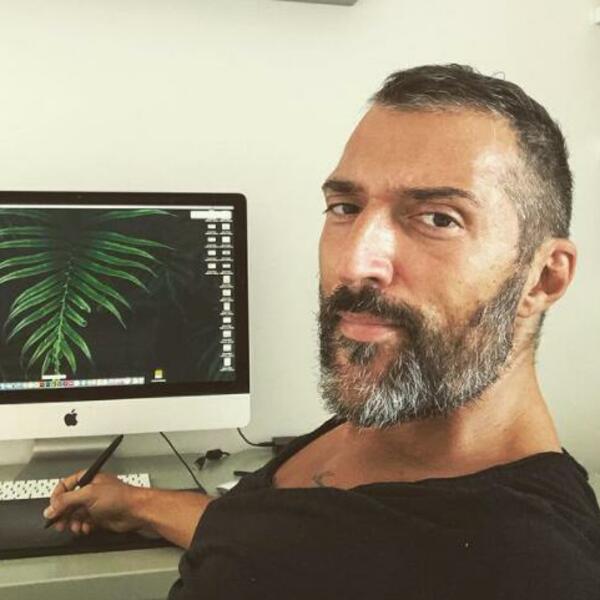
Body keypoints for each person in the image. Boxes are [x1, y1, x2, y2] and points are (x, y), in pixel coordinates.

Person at [44, 64, 600, 599]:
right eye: (345, 206)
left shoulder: (527, 565)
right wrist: (136, 504)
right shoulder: (397, 414)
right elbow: (276, 537)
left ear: (543, 278)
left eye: (438, 218)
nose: (355, 263)